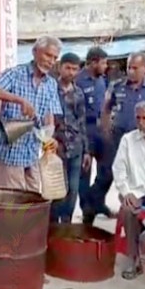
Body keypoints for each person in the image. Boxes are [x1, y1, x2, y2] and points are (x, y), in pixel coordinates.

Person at [0, 36, 63, 191]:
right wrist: (19, 100)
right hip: (11, 151)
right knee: (14, 200)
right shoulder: (16, 74)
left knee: (33, 197)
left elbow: (49, 115)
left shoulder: (51, 83)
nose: (51, 61)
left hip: (32, 153)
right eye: (48, 55)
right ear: (35, 52)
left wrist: (49, 137)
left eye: (55, 58)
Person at [92, 53, 145, 224]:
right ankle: (93, 209)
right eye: (129, 68)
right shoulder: (117, 86)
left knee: (140, 174)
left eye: (135, 68)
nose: (131, 71)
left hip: (144, 139)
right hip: (118, 138)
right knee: (108, 173)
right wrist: (105, 131)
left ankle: (141, 210)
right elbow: (106, 108)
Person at [113, 101, 145, 280]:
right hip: (135, 192)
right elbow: (119, 169)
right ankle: (134, 259)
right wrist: (126, 192)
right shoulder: (128, 140)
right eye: (138, 118)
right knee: (129, 210)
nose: (141, 122)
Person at [51, 53, 90, 223]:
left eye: (75, 69)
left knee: (73, 190)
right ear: (60, 67)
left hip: (75, 148)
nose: (71, 72)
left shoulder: (79, 93)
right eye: (68, 68)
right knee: (56, 188)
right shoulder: (50, 89)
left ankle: (67, 224)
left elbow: (82, 122)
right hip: (55, 148)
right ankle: (53, 225)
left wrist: (86, 151)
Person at [75, 47, 108, 220]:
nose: (106, 66)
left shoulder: (101, 80)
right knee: (84, 173)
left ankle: (98, 201)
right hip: (85, 130)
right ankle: (86, 208)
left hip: (101, 130)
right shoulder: (78, 80)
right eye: (103, 63)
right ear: (93, 62)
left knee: (107, 169)